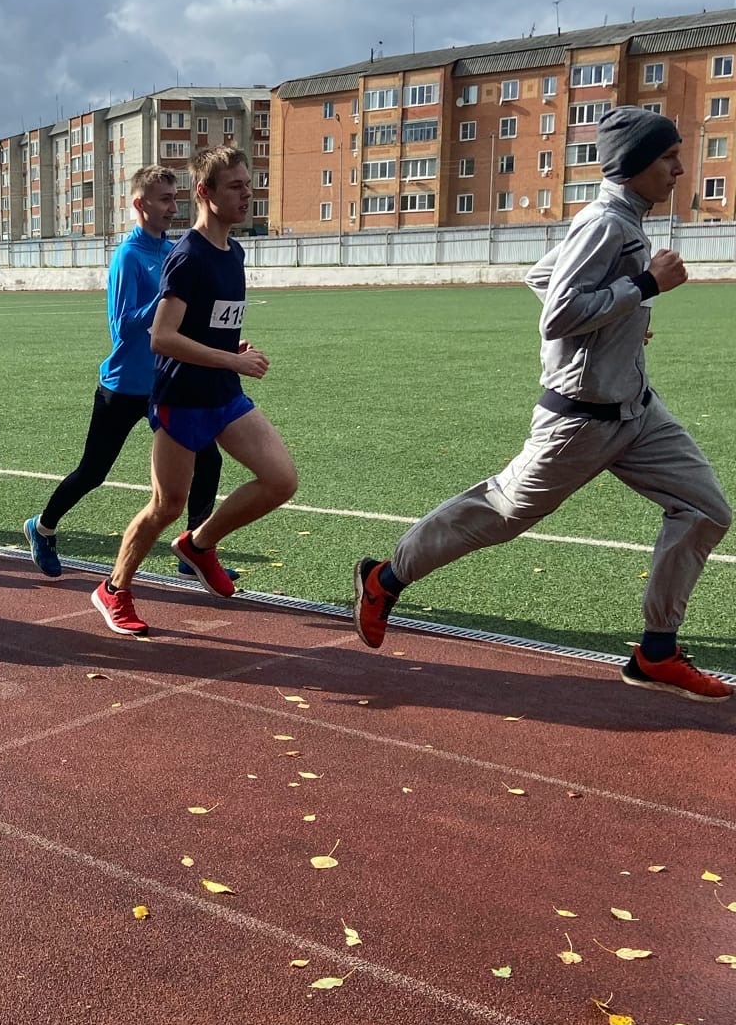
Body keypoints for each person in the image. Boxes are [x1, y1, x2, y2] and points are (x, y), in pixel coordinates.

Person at [355, 107, 732, 699]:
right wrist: (645, 289)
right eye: (668, 157)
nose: (680, 169)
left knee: (705, 510)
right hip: (581, 419)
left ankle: (657, 652)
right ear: (633, 164)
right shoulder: (606, 224)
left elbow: (541, 277)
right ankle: (386, 576)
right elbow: (559, 314)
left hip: (636, 411)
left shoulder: (626, 220)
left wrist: (620, 320)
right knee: (502, 513)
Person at [91, 144, 298, 637]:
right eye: (236, 187)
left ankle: (199, 545)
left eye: (249, 185)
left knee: (280, 480)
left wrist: (231, 345)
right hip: (181, 398)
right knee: (166, 505)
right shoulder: (186, 257)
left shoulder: (235, 251)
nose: (248, 195)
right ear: (205, 193)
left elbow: (208, 324)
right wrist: (234, 358)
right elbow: (160, 337)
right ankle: (114, 588)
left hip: (223, 394)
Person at [25, 165, 227, 584]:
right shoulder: (128, 256)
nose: (174, 207)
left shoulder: (174, 250)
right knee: (94, 471)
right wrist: (166, 295)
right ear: (140, 204)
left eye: (176, 198)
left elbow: (183, 322)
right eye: (165, 199)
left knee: (208, 460)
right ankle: (42, 527)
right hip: (122, 386)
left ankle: (193, 551)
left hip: (166, 385)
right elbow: (122, 326)